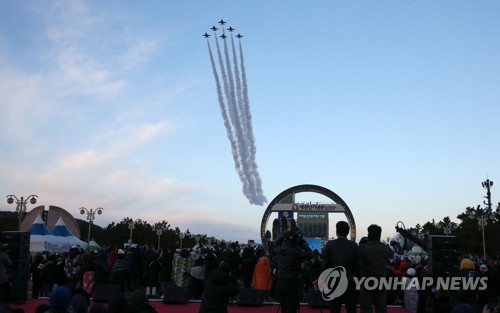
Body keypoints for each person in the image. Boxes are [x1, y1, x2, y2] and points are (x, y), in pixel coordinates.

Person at [321, 221, 359, 313]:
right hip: (349, 281)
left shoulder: (330, 245)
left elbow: (324, 264)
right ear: (348, 232)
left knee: (334, 308)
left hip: (334, 281)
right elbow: (358, 265)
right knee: (351, 308)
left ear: (337, 231)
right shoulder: (354, 245)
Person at [357, 224, 394, 313]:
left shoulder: (362, 249)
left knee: (366, 308)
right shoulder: (386, 248)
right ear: (379, 235)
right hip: (381, 280)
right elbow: (392, 255)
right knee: (381, 307)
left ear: (369, 235)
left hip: (366, 280)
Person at [274, 230, 313, 313]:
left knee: (284, 306)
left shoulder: (280, 249)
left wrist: (281, 237)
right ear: (295, 240)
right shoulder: (296, 251)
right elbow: (310, 255)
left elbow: (275, 246)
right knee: (292, 307)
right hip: (291, 281)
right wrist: (305, 245)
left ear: (285, 240)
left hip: (280, 280)